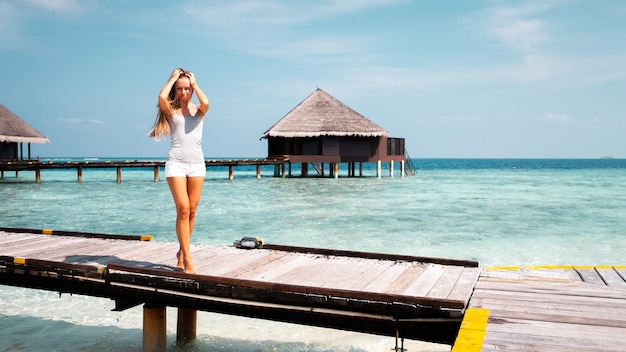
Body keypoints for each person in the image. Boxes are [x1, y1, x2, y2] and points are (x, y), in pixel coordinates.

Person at [148, 68, 210, 273]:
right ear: (176, 91)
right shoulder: (171, 112)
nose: (184, 92)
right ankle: (188, 259)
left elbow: (207, 102)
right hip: (176, 164)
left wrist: (195, 84)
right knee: (183, 209)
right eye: (180, 89)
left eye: (187, 89)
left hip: (197, 164)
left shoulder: (199, 111)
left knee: (192, 211)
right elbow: (161, 97)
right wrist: (174, 78)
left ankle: (181, 253)